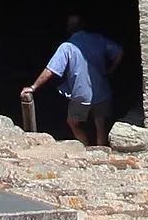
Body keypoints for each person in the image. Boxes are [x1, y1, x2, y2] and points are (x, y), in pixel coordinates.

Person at [21, 13, 123, 147]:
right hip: (103, 91)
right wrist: (110, 70)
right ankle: (101, 153)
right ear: (84, 25)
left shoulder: (67, 46)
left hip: (81, 94)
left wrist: (33, 87)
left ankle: (86, 148)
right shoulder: (98, 39)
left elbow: (50, 70)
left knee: (73, 123)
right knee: (100, 125)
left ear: (68, 28)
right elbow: (119, 52)